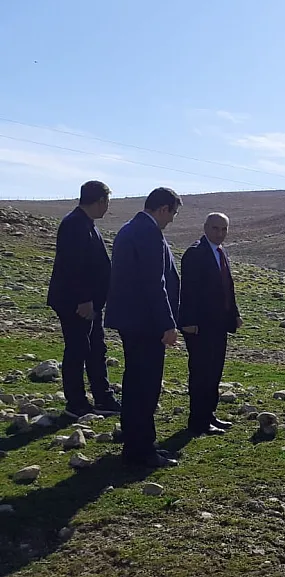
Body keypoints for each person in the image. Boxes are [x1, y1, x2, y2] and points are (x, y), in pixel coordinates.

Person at [104, 187, 182, 468]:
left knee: (135, 380)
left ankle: (132, 438)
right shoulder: (148, 232)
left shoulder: (129, 228)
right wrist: (167, 323)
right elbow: (154, 282)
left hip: (131, 320)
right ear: (163, 209)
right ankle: (142, 450)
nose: (171, 220)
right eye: (172, 213)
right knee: (146, 386)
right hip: (146, 322)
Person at [46, 180, 122, 418]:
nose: (107, 208)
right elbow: (74, 266)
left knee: (95, 348)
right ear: (100, 201)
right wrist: (85, 299)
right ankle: (76, 402)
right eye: (107, 202)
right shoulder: (75, 224)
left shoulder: (86, 223)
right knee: (78, 349)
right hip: (77, 303)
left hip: (90, 303)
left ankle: (102, 397)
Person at [179, 212, 242, 435]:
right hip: (200, 326)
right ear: (205, 227)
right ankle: (198, 420)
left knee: (214, 371)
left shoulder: (220, 252)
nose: (220, 233)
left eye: (224, 229)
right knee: (201, 372)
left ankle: (209, 414)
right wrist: (187, 321)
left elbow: (227, 286)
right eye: (216, 228)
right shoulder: (195, 253)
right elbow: (187, 291)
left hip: (218, 324)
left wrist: (234, 314)